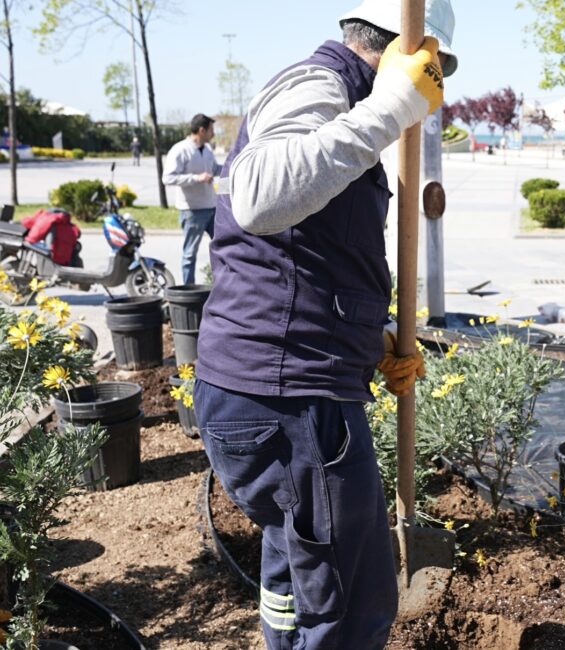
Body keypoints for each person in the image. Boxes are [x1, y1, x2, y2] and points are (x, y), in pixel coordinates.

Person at [193, 0, 455, 648]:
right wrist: (389, 107)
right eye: (437, 69)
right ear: (406, 52)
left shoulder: (341, 102)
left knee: (297, 574)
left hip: (277, 391)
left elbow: (310, 257)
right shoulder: (324, 86)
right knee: (353, 606)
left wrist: (372, 345)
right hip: (291, 403)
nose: (435, 88)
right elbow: (260, 198)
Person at [162, 114, 221, 284]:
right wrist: (196, 178)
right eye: (211, 130)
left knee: (224, 247)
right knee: (190, 254)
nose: (213, 134)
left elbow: (214, 169)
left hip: (212, 208)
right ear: (202, 130)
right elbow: (168, 178)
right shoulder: (180, 150)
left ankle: (221, 286)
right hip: (192, 211)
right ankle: (189, 291)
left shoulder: (208, 149)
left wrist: (233, 167)